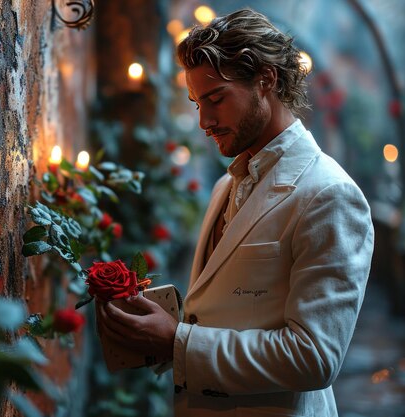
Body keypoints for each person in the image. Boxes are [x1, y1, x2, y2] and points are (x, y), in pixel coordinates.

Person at [96, 7, 375, 417]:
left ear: (266, 79)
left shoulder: (330, 194)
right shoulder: (225, 185)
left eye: (216, 99)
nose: (205, 121)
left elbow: (314, 358)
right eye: (196, 104)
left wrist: (176, 341)